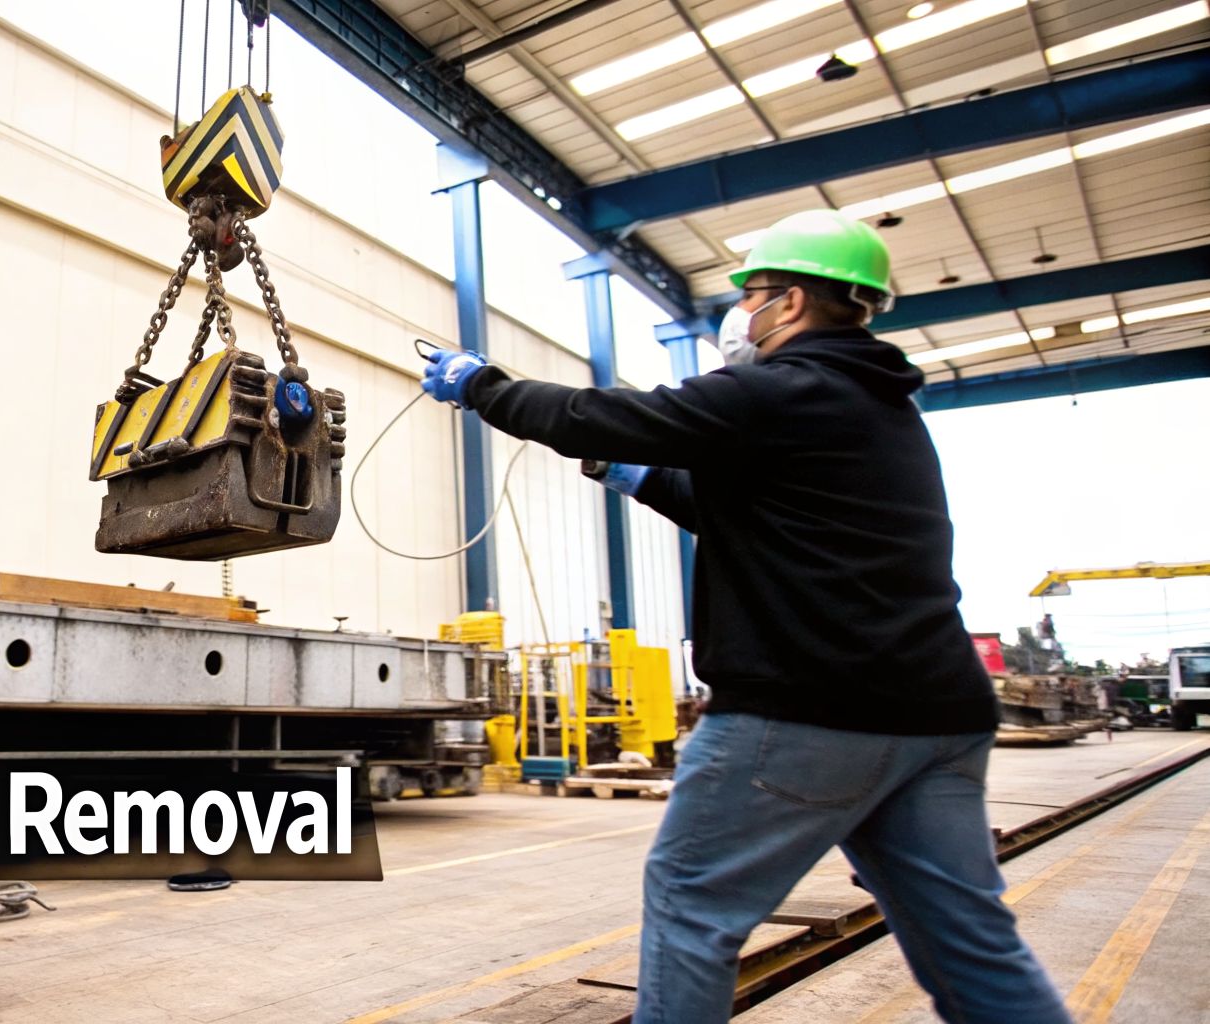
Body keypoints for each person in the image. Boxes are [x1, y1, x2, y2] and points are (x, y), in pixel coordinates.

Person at [419, 209, 1070, 1024]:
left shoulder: (780, 388)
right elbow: (749, 511)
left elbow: (600, 413)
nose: (744, 314)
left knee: (691, 902)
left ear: (790, 303)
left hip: (807, 712)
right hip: (939, 716)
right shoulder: (880, 408)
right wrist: (629, 474)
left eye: (752, 294)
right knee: (969, 937)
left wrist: (484, 387)